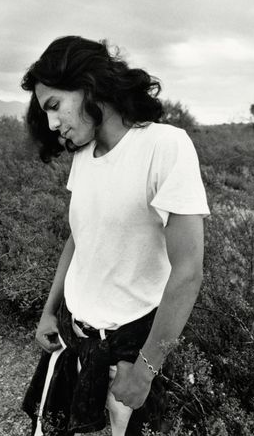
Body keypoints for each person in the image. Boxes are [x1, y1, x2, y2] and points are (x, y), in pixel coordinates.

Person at [21, 36, 210, 436]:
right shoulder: (83, 156)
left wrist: (145, 370)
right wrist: (50, 311)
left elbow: (188, 271)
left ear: (88, 86)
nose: (52, 123)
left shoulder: (164, 145)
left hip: (129, 350)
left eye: (54, 105)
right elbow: (79, 238)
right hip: (73, 338)